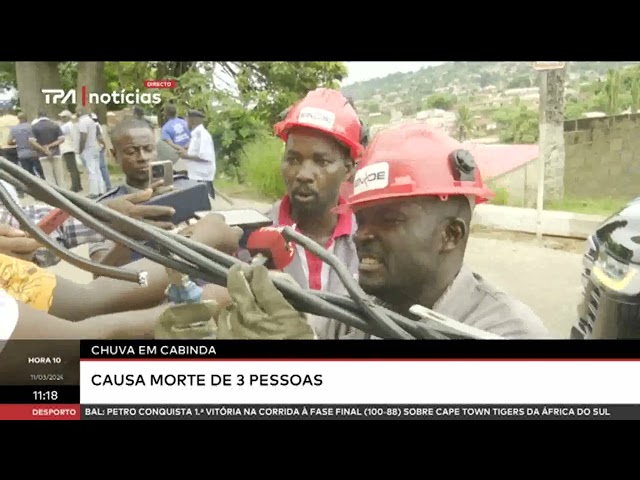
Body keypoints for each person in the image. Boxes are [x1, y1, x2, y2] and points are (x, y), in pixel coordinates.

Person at [160, 122, 550, 340]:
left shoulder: (503, 334)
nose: (363, 234)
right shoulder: (353, 310)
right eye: (362, 218)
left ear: (451, 235)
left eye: (391, 219)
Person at [268, 88, 366, 338]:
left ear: (348, 169)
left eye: (321, 161)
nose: (303, 174)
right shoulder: (254, 235)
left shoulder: (368, 241)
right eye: (294, 159)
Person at [88, 118, 201, 267]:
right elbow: (100, 272)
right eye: (131, 152)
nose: (142, 158)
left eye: (148, 149)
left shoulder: (189, 189)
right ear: (114, 155)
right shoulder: (105, 208)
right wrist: (132, 236)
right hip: (142, 287)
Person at [176, 110, 216, 198]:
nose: (186, 121)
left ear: (192, 120)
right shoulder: (196, 134)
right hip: (195, 175)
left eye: (187, 119)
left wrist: (186, 156)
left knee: (203, 207)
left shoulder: (203, 135)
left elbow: (204, 156)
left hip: (201, 177)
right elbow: (195, 152)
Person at [29, 111, 66, 188]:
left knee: (49, 177)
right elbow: (61, 139)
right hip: (56, 153)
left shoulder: (34, 127)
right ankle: (64, 194)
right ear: (47, 115)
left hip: (43, 155)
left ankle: (54, 195)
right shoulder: (55, 125)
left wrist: (43, 149)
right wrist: (50, 146)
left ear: (38, 116)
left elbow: (32, 141)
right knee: (60, 177)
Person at [7, 112, 44, 180]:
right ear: (26, 118)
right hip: (33, 153)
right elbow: (36, 140)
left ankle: (33, 187)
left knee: (28, 174)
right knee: (40, 172)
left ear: (18, 119)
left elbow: (9, 142)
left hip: (21, 154)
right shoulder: (31, 127)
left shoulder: (14, 129)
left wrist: (17, 142)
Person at [77, 107, 103, 198]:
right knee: (97, 169)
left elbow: (83, 137)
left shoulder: (82, 122)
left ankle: (94, 192)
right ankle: (101, 190)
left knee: (91, 170)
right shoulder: (91, 121)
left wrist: (80, 149)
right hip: (95, 147)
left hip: (88, 148)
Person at [58, 110, 83, 192]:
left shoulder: (66, 126)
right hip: (71, 148)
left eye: (62, 117)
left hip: (67, 148)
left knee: (71, 168)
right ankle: (78, 185)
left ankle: (75, 186)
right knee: (74, 168)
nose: (61, 118)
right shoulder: (72, 125)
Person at [91, 113, 112, 190]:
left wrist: (105, 146)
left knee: (101, 167)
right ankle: (106, 185)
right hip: (99, 147)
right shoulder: (97, 125)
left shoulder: (95, 126)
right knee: (101, 167)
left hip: (99, 148)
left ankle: (107, 185)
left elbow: (100, 138)